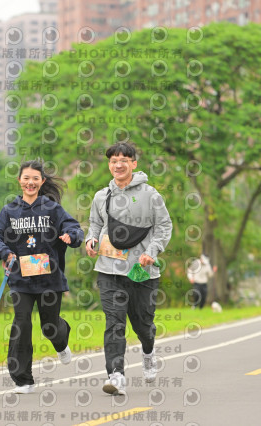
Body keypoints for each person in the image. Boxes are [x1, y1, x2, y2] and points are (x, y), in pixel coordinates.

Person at [0, 160, 84, 394]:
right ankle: (23, 380)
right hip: (21, 279)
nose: (30, 182)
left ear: (42, 182)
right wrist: (4, 251)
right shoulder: (9, 211)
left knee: (50, 327)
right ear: (19, 180)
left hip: (50, 278)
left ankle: (61, 340)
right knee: (21, 324)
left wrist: (71, 236)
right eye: (26, 178)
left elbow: (74, 228)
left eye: (35, 179)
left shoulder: (52, 209)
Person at [85, 142, 172, 396]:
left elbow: (164, 226)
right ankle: (116, 375)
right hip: (109, 269)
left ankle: (148, 351)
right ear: (109, 165)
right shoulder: (102, 196)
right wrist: (91, 240)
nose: (118, 165)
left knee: (143, 324)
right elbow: (94, 224)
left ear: (134, 163)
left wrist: (151, 252)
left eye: (124, 160)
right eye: (113, 160)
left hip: (141, 271)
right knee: (114, 322)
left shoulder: (151, 195)